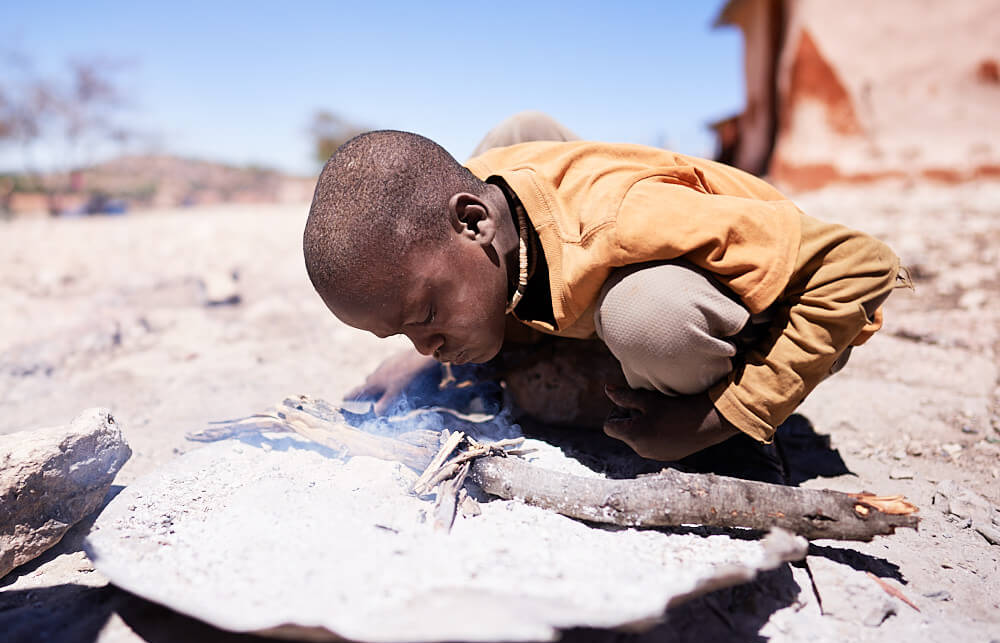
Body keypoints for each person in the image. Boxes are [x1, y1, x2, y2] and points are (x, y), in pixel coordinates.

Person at [302, 112, 904, 475]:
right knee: (520, 128)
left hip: (769, 304)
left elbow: (862, 264)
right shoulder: (475, 217)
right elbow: (435, 285)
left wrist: (722, 419)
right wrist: (417, 350)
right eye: (404, 331)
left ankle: (706, 412)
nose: (427, 345)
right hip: (547, 259)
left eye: (426, 317)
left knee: (649, 320)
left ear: (475, 222)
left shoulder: (622, 218)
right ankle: (553, 341)